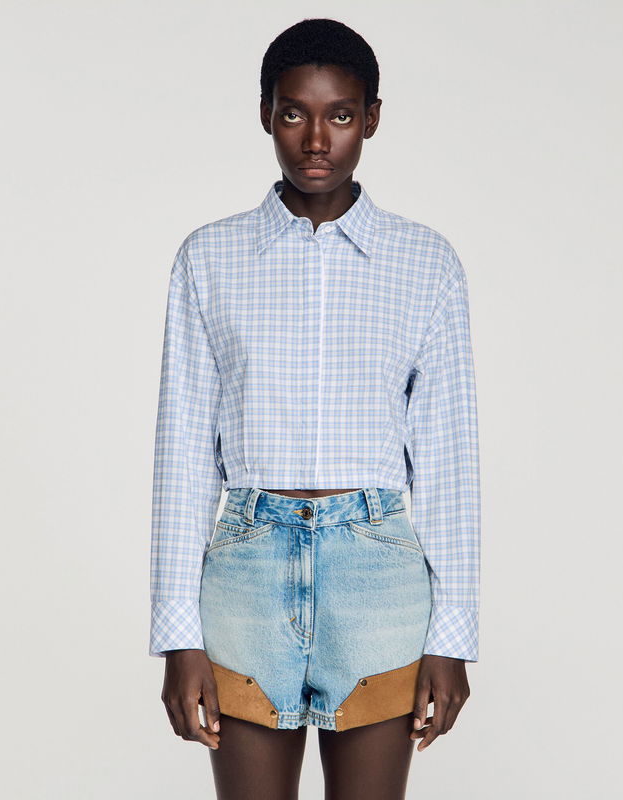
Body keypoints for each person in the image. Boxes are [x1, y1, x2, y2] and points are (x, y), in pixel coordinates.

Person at [149, 17, 481, 800]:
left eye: (341, 115)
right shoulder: (209, 257)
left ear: (371, 118)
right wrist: (177, 634)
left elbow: (449, 461)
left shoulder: (426, 263)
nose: (317, 140)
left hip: (378, 576)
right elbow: (182, 451)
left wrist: (453, 635)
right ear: (267, 114)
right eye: (295, 113)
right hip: (246, 572)